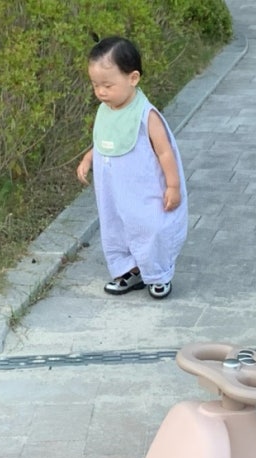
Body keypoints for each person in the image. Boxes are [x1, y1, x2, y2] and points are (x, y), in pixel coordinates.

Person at [77, 36, 188, 299]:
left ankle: (158, 274)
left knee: (150, 228)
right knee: (116, 228)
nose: (101, 92)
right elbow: (105, 140)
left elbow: (165, 152)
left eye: (108, 85)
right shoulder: (105, 109)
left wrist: (173, 186)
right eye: (95, 85)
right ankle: (129, 270)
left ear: (133, 78)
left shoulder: (146, 115)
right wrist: (88, 159)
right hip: (114, 192)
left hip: (144, 191)